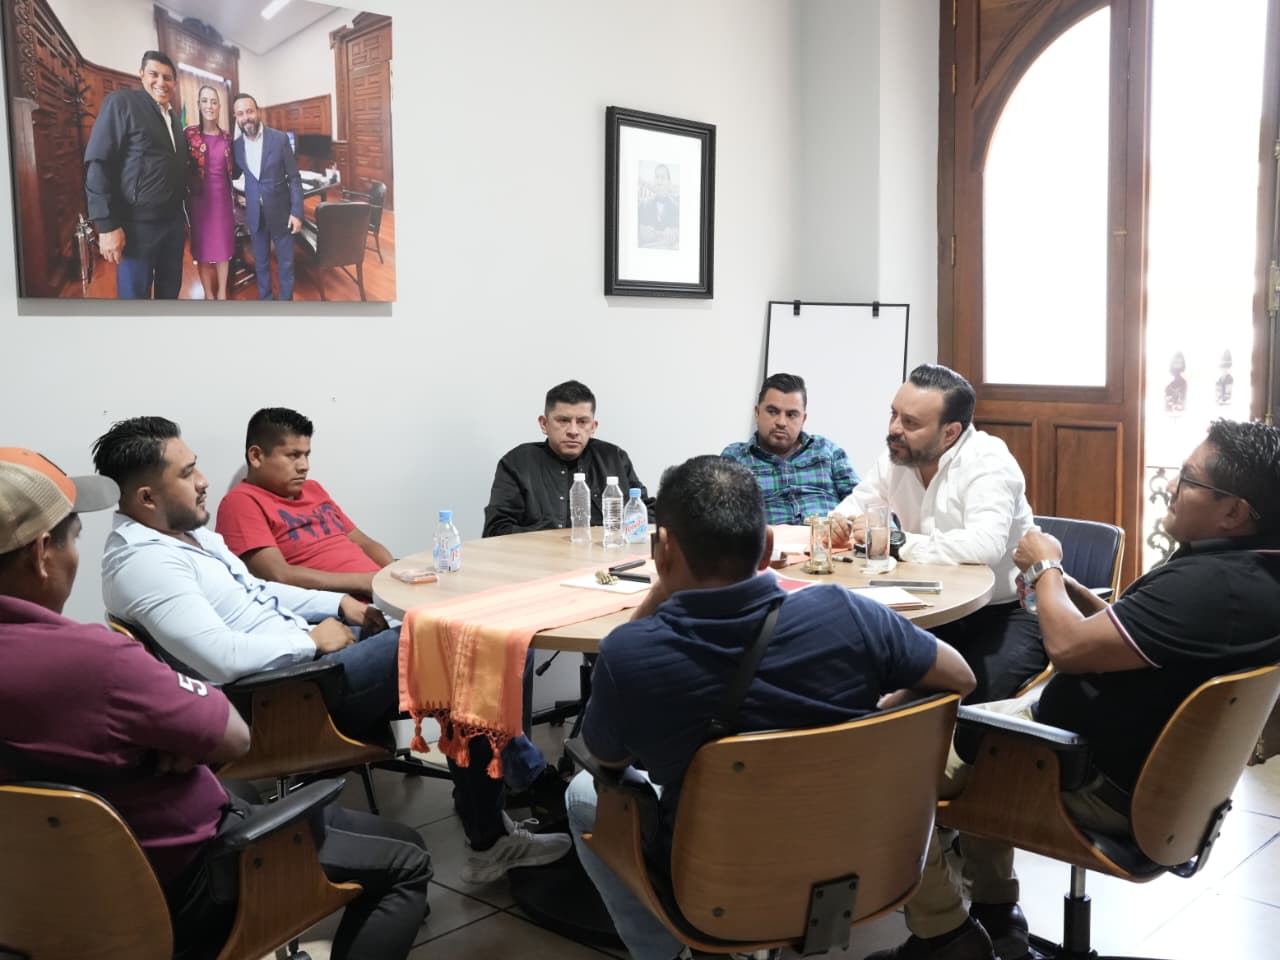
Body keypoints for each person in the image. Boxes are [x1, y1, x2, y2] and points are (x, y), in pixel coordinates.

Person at [867, 419, 1280, 960]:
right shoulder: (1251, 573)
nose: (1171, 487)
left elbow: (1065, 648)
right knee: (987, 716)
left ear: (1234, 512)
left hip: (1079, 773)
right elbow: (1129, 632)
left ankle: (945, 935)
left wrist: (1046, 567)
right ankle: (997, 912)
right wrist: (1065, 586)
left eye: (1188, 479)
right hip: (1136, 774)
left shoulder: (1207, 588)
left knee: (878, 761)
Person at [92, 417, 571, 883]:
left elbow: (261, 593)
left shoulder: (185, 535)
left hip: (307, 661)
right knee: (459, 643)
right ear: (147, 497)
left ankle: (496, 818)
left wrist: (339, 604)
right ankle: (523, 793)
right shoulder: (144, 564)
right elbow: (221, 658)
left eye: (195, 465)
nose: (203, 480)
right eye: (187, 473)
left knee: (469, 647)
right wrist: (309, 641)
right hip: (285, 696)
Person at [0, 446, 432, 959]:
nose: (204, 480)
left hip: (58, 902)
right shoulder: (95, 658)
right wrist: (172, 727)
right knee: (409, 860)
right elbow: (233, 735)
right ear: (41, 554)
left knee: (392, 831)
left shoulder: (187, 546)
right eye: (73, 537)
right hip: (193, 876)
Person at [565, 455, 976, 960]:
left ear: (663, 550)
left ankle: (666, 954)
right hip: (862, 862)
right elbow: (960, 678)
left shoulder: (630, 656)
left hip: (714, 891)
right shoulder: (849, 612)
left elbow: (608, 760)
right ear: (767, 546)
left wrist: (660, 587)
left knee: (581, 792)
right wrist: (878, 719)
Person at [831, 364, 1040, 703]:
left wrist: (896, 540)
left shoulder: (988, 461)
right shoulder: (898, 456)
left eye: (910, 423)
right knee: (852, 670)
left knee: (964, 700)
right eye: (893, 414)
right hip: (933, 604)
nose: (894, 429)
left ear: (950, 432)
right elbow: (854, 506)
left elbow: (984, 546)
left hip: (1007, 610)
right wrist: (839, 524)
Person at [216, 407, 392, 598]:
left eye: (306, 455)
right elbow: (279, 576)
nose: (304, 466)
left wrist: (396, 574)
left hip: (383, 593)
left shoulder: (313, 489)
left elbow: (363, 541)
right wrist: (365, 583)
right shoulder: (241, 502)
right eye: (293, 455)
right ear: (256, 456)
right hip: (344, 608)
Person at [483, 380, 651, 537]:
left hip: (607, 555)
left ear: (593, 427)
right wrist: (556, 537)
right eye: (563, 420)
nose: (573, 431)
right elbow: (496, 529)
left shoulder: (614, 458)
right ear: (544, 424)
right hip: (540, 557)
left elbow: (646, 511)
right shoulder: (518, 462)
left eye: (582, 422)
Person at [83, 51, 187, 299]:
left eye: (167, 77)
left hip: (173, 225)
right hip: (137, 228)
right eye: (154, 74)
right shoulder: (122, 103)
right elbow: (98, 162)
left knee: (170, 294)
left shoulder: (174, 119)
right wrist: (107, 225)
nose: (161, 82)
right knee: (134, 300)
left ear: (174, 84)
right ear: (141, 75)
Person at [721, 372, 858, 525]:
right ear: (757, 413)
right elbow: (721, 519)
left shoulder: (827, 450)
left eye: (791, 414)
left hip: (826, 537)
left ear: (803, 419)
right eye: (772, 412)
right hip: (770, 539)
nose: (781, 422)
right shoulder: (735, 458)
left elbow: (860, 502)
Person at [231, 93, 302, 300]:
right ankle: (266, 301)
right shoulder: (236, 146)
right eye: (240, 114)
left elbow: (294, 178)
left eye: (249, 111)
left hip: (282, 214)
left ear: (258, 112)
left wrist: (297, 212)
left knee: (286, 265)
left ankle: (286, 304)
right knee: (260, 264)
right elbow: (233, 174)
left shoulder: (279, 139)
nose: (246, 117)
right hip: (255, 215)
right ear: (236, 118)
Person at [184, 85, 236, 300]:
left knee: (223, 249)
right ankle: (209, 295)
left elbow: (234, 170)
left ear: (219, 106)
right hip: (199, 203)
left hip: (223, 201)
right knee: (203, 251)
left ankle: (222, 293)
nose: (209, 106)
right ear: (198, 105)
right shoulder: (189, 135)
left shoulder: (227, 137)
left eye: (213, 101)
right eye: (204, 101)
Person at [638, 163, 679, 249]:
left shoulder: (677, 209)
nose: (659, 182)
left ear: (669, 182)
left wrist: (675, 233)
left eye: (662, 178)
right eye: (657, 177)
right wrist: (640, 231)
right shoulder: (643, 205)